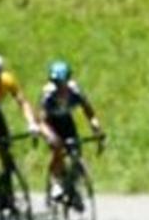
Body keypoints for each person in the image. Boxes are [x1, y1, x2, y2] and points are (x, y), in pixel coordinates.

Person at [38, 60, 104, 201]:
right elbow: (41, 121)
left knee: (76, 151)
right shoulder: (48, 95)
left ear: (68, 80)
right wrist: (50, 136)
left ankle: (73, 185)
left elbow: (89, 112)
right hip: (51, 123)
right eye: (56, 83)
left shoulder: (76, 91)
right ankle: (55, 181)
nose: (59, 86)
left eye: (62, 83)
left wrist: (96, 129)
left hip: (66, 121)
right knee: (58, 149)